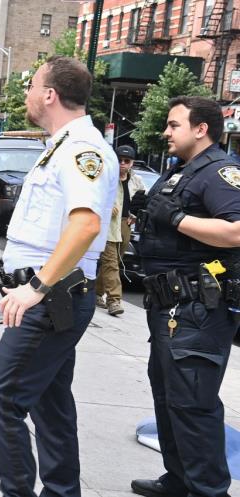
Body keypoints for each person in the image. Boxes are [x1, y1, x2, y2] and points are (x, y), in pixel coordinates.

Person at [0, 56, 118, 497]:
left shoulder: (83, 150)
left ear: (50, 95)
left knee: (0, 398)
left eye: (31, 85)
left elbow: (87, 225)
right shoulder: (60, 145)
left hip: (52, 295)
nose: (27, 94)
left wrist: (37, 287)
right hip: (52, 294)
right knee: (50, 403)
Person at [130, 96, 240, 497]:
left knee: (193, 403)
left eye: (174, 125)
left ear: (201, 129)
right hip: (170, 304)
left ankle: (209, 491)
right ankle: (179, 480)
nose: (166, 132)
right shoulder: (183, 172)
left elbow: (237, 231)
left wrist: (176, 218)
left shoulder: (221, 171)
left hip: (198, 308)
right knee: (169, 397)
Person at [96, 144, 145, 316]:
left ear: (132, 163)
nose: (122, 163)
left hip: (125, 225)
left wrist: (135, 214)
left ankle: (95, 293)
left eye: (127, 161)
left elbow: (140, 200)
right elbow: (93, 197)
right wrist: (107, 208)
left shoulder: (136, 180)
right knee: (111, 262)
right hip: (107, 225)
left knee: (114, 261)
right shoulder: (105, 177)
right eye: (119, 160)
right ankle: (114, 300)